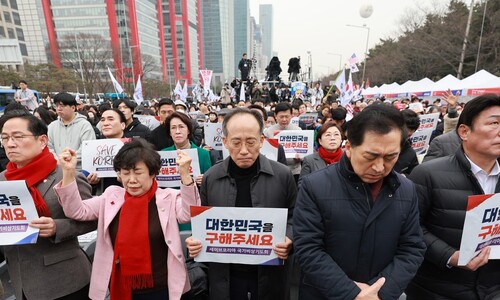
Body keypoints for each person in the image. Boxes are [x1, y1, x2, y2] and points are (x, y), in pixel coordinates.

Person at [294, 104, 426, 300]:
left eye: (391, 157)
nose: (380, 167)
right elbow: (308, 248)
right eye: (370, 156)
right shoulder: (315, 186)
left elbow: (412, 248)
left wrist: (380, 293)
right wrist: (352, 294)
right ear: (349, 147)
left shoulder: (406, 190)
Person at [55, 139, 200, 300]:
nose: (131, 180)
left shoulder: (168, 198)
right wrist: (68, 172)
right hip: (122, 287)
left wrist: (185, 175)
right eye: (125, 173)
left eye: (138, 173)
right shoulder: (111, 196)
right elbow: (76, 211)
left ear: (152, 173)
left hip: (163, 288)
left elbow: (189, 213)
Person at [186, 108, 296, 300]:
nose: (244, 150)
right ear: (225, 142)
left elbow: (296, 218)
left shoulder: (283, 175)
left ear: (261, 141)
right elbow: (203, 225)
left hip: (269, 275)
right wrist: (195, 244)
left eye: (251, 142)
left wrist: (289, 238)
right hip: (225, 277)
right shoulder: (211, 177)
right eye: (236, 142)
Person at [406, 94, 500, 300]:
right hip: (437, 290)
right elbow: (409, 227)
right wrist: (450, 256)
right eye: (494, 123)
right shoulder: (428, 174)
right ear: (464, 131)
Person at [0, 110, 95, 300]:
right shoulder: (3, 180)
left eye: (18, 137)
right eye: (4, 138)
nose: (10, 144)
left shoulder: (66, 175)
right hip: (21, 283)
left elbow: (92, 219)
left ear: (42, 140)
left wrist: (56, 227)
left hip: (65, 282)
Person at [48, 92, 96, 170]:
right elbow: (48, 147)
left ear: (73, 108)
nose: (59, 108)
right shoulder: (52, 126)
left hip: (79, 170)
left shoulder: (84, 125)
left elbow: (88, 148)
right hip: (58, 169)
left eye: (62, 106)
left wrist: (70, 158)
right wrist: (58, 160)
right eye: (56, 106)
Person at [161, 112, 212, 186]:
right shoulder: (163, 154)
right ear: (169, 132)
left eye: (181, 127)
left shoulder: (203, 153)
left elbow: (210, 183)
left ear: (188, 130)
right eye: (173, 128)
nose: (177, 132)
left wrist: (205, 181)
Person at [298, 122, 343, 186]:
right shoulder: (309, 160)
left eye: (336, 134)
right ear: (320, 141)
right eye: (328, 135)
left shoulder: (349, 158)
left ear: (341, 139)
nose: (332, 138)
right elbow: (302, 185)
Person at [394, 109, 420, 176]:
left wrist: (405, 177)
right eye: (402, 133)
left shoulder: (410, 154)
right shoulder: (378, 144)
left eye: (409, 135)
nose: (404, 138)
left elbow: (414, 175)